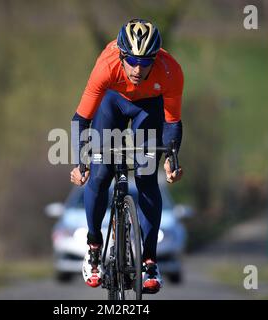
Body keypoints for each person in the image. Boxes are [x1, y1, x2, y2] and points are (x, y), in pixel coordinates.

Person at [70, 19, 184, 294]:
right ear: (122, 55)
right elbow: (82, 118)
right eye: (132, 60)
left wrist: (171, 157)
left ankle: (149, 262)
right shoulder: (106, 67)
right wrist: (80, 162)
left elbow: (172, 122)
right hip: (113, 101)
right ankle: (94, 247)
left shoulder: (170, 72)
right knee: (99, 175)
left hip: (149, 108)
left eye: (146, 62)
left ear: (155, 58)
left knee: (146, 177)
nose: (138, 69)